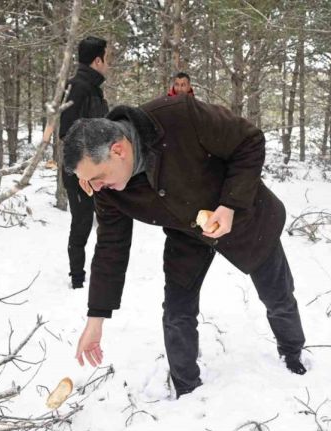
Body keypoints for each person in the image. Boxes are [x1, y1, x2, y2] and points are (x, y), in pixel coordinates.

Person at [64, 95, 307, 398]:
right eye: (88, 182)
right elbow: (110, 248)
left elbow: (249, 141)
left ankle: (292, 353)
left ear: (119, 150)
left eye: (97, 178)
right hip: (185, 234)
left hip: (244, 217)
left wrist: (230, 205)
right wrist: (95, 319)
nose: (95, 188)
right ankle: (186, 388)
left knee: (277, 296)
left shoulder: (179, 116)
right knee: (177, 312)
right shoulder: (108, 189)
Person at [59, 36, 109, 289]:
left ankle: (103, 273)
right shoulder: (77, 87)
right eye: (107, 58)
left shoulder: (93, 88)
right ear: (98, 59)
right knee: (82, 222)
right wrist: (81, 171)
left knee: (107, 221)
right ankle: (77, 278)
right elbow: (66, 133)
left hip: (99, 171)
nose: (108, 64)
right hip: (79, 171)